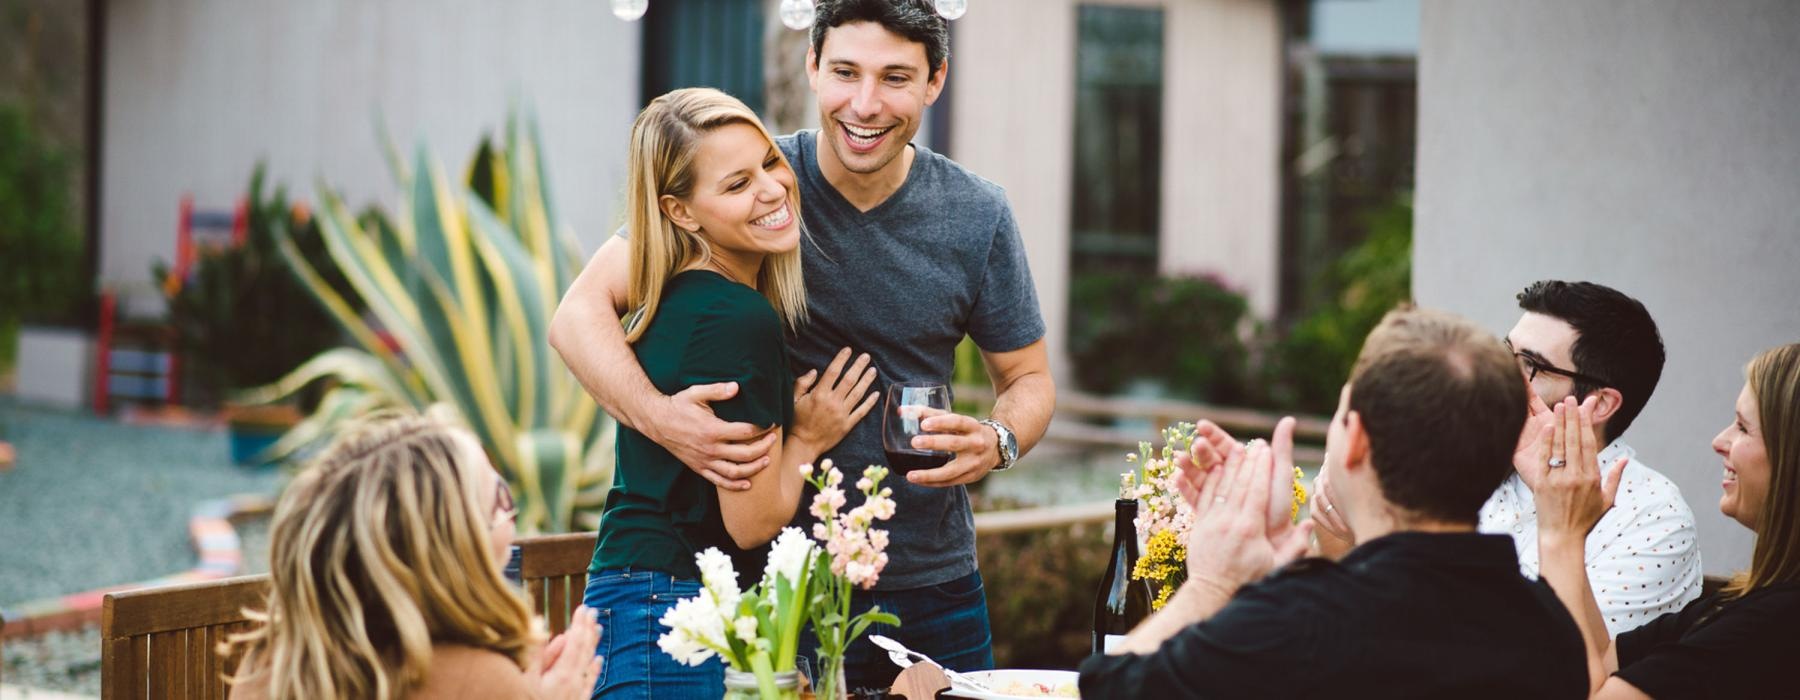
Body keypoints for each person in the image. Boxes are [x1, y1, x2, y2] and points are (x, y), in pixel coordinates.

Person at [549, 0, 1055, 690]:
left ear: (935, 81)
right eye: (845, 71)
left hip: (931, 582)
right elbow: (577, 315)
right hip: (774, 591)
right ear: (812, 67)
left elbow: (1028, 378)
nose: (865, 104)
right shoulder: (749, 183)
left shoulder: (977, 213)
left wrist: (999, 438)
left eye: (896, 78)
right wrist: (667, 421)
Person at [1079, 308, 1588, 699]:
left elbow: (1108, 686)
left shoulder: (1296, 625)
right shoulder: (1549, 632)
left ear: (1357, 440)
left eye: (1341, 416)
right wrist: (1275, 577)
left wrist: (1213, 584)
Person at [581, 88, 876, 699]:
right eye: (737, 184)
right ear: (681, 212)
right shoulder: (738, 319)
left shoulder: (670, 299)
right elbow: (750, 521)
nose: (772, 189)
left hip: (634, 598)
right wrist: (810, 437)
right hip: (673, 611)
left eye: (769, 162)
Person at [1309, 280, 1701, 636]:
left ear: (1599, 404)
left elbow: (1560, 663)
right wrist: (1341, 534)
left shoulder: (1652, 517)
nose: (1499, 374)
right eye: (1505, 353)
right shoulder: (1467, 456)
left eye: (1530, 365)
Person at [227, 411, 602, 699]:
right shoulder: (479, 679)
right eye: (498, 501)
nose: (511, 516)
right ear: (451, 550)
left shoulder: (269, 664)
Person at [1533, 343, 1800, 698]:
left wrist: (1560, 535)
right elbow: (1599, 657)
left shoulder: (1775, 626)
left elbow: (1574, 689)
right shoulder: (1735, 605)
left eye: (1743, 428)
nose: (1719, 441)